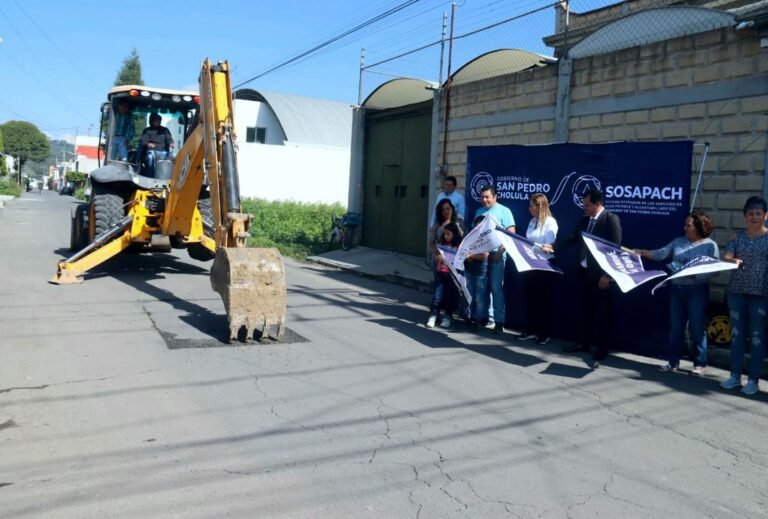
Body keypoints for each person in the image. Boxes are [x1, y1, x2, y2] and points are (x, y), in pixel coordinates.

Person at [635, 210, 718, 376]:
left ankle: (700, 364)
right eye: (685, 225)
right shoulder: (678, 242)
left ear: (699, 227)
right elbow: (660, 254)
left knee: (696, 328)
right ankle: (672, 362)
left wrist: (694, 275)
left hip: (697, 290)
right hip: (676, 290)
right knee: (676, 328)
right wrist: (641, 252)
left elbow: (715, 270)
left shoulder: (710, 245)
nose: (684, 228)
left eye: (688, 225)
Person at [559, 188, 622, 363]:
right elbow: (573, 238)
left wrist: (607, 276)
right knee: (585, 310)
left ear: (598, 204)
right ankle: (583, 343)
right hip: (584, 272)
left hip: (600, 276)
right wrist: (553, 247)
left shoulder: (610, 220)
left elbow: (615, 250)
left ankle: (602, 349)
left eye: (587, 205)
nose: (584, 208)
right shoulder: (585, 220)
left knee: (602, 314)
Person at [720, 196, 768, 396]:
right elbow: (726, 257)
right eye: (750, 214)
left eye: (758, 213)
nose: (754, 217)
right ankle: (734, 375)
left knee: (757, 337)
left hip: (761, 295)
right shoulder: (736, 238)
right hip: (737, 293)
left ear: (766, 215)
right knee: (737, 336)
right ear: (745, 216)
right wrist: (733, 261)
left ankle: (753, 380)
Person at [474, 184, 516, 334]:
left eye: (487, 197)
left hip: (497, 256)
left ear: (495, 196)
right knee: (482, 288)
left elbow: (511, 234)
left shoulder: (505, 211)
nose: (484, 200)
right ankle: (483, 318)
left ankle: (499, 321)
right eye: (482, 197)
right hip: (482, 257)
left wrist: (500, 252)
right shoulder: (479, 211)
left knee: (496, 288)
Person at [519, 193, 558, 345]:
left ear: (540, 207)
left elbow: (550, 245)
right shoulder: (532, 221)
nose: (529, 208)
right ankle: (531, 330)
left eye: (532, 206)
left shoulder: (550, 222)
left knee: (543, 300)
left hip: (544, 265)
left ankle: (544, 333)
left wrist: (544, 248)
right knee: (531, 299)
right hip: (530, 264)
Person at [426, 222, 462, 329]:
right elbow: (435, 256)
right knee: (437, 296)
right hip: (441, 274)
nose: (445, 236)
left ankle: (447, 317)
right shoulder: (441, 244)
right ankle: (433, 316)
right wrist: (438, 257)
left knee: (450, 297)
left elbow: (461, 260)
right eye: (444, 234)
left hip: (452, 275)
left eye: (448, 234)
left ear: (454, 234)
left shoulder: (459, 246)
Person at [464, 216, 489, 331]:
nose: (477, 228)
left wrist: (470, 255)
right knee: (469, 295)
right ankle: (469, 317)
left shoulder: (485, 239)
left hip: (480, 273)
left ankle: (478, 319)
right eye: (476, 226)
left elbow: (484, 256)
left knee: (479, 298)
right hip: (469, 271)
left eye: (480, 226)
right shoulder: (470, 238)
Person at [140, 112, 175, 177]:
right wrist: (148, 144)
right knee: (150, 158)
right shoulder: (147, 130)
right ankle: (150, 176)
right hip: (152, 151)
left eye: (159, 120)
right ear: (152, 121)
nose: (158, 121)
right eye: (156, 120)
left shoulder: (165, 130)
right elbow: (144, 141)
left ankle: (169, 176)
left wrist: (171, 143)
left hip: (163, 151)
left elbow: (169, 139)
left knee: (172, 158)